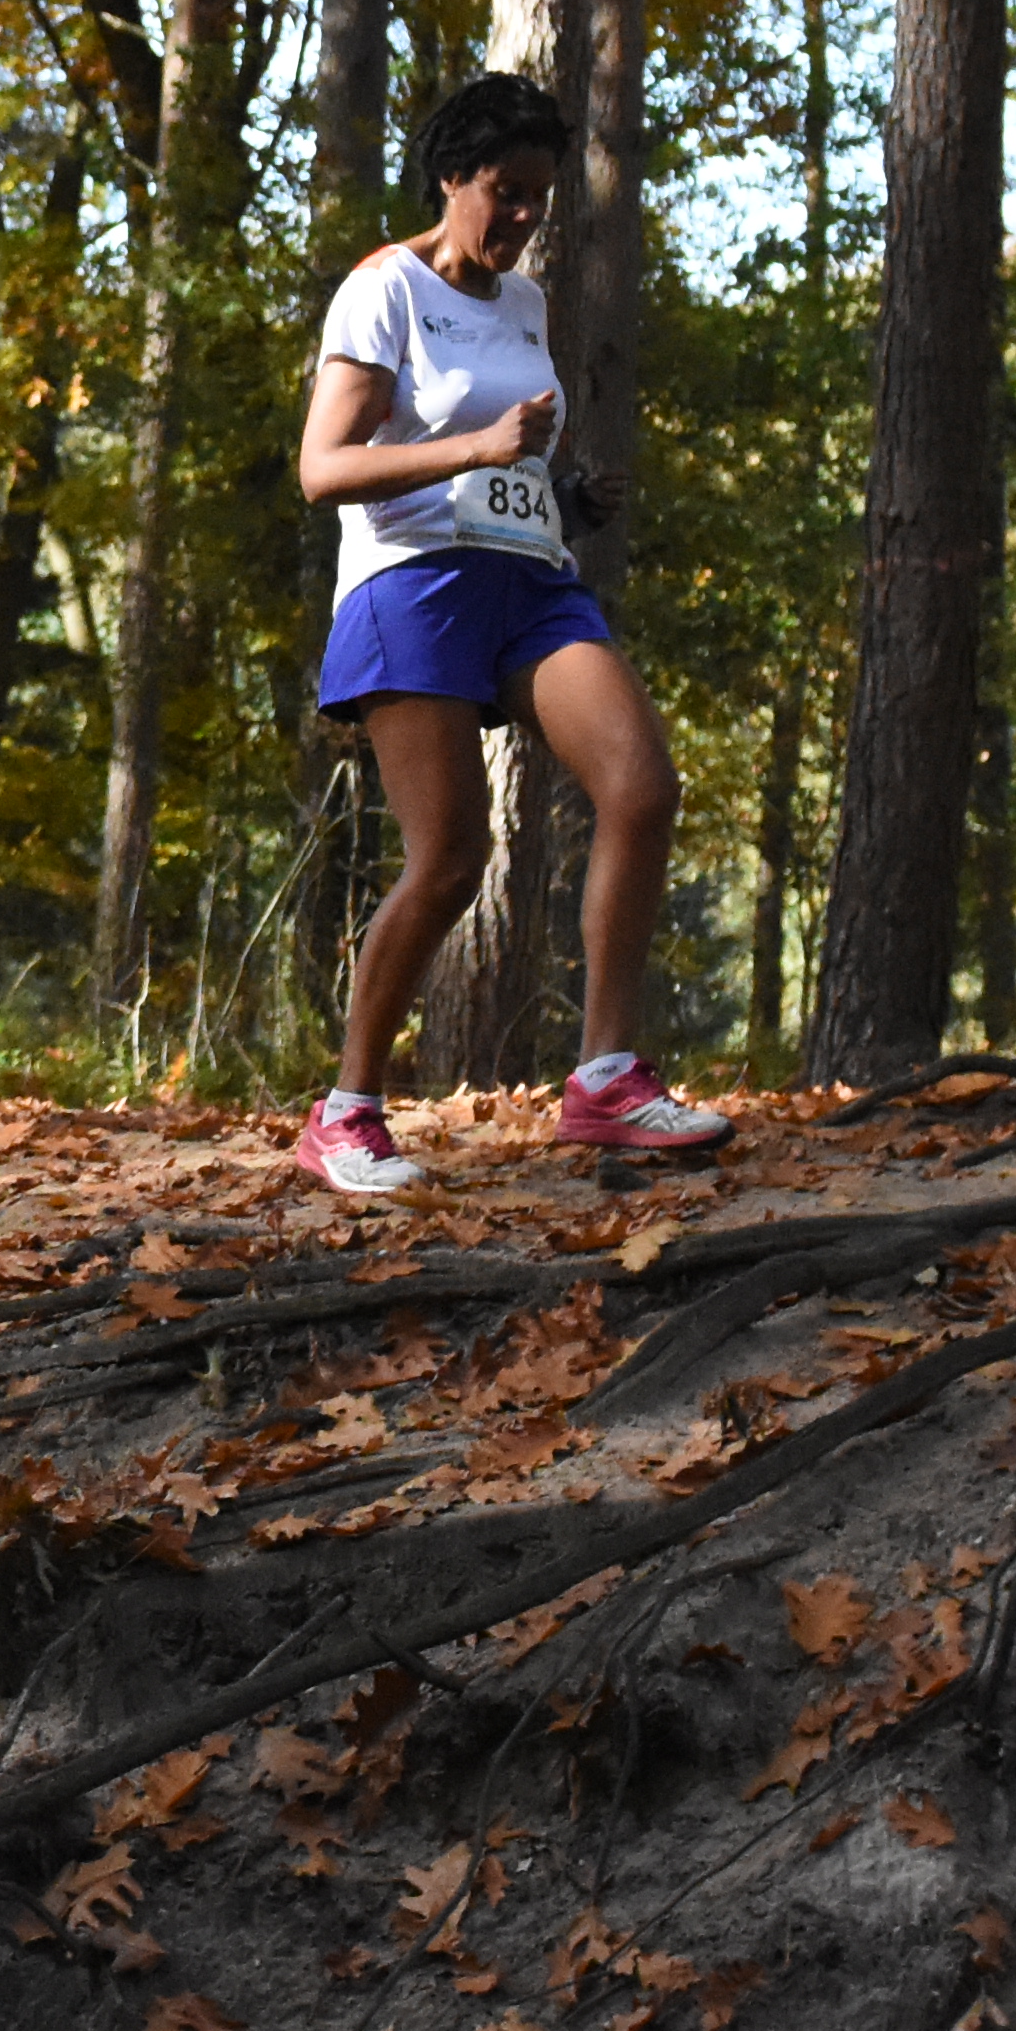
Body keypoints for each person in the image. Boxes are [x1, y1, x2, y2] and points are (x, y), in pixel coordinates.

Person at [285, 73, 725, 1196]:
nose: (526, 215)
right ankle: (344, 1113)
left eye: (541, 195)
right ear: (452, 177)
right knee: (450, 861)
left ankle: (606, 1082)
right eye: (506, 190)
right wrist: (478, 448)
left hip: (530, 579)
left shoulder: (524, 307)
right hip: (413, 584)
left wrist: (562, 495)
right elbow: (324, 468)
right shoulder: (381, 290)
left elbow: (506, 464)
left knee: (640, 784)